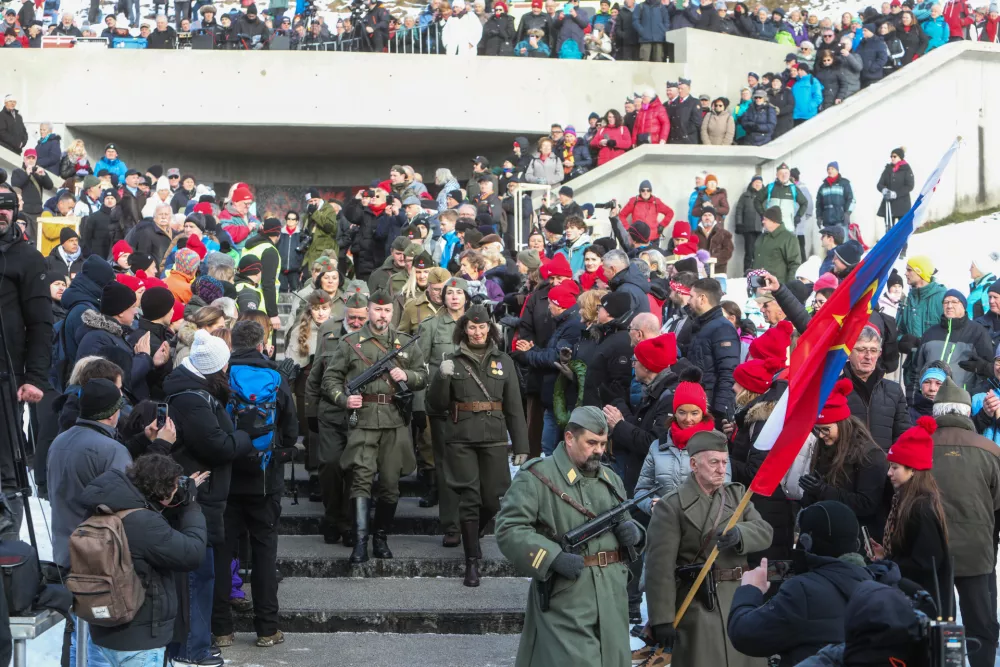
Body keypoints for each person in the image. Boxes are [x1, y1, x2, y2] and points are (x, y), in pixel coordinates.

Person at [495, 406, 643, 667]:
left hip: (612, 596)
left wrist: (635, 533)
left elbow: (625, 522)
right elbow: (509, 529)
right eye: (591, 443)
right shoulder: (538, 477)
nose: (598, 450)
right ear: (569, 438)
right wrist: (552, 558)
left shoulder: (610, 478)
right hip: (567, 597)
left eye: (603, 443)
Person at [162, 329, 254, 666]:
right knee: (197, 578)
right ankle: (191, 648)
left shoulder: (196, 392)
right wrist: (245, 436)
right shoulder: (191, 398)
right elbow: (218, 445)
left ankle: (192, 645)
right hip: (197, 499)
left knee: (203, 576)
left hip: (203, 497)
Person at [644, 429, 773, 665]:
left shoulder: (737, 496)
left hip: (738, 597)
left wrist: (740, 534)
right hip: (698, 601)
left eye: (724, 462)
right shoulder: (671, 506)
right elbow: (659, 567)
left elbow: (765, 532)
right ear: (694, 464)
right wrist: (662, 618)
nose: (721, 469)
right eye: (714, 462)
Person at [321, 288, 427, 563]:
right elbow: (329, 380)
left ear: (393, 313)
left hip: (394, 421)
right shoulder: (350, 343)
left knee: (391, 484)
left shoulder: (405, 342)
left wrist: (408, 375)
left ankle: (381, 538)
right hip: (363, 420)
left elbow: (424, 377)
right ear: (368, 310)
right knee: (361, 480)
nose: (382, 315)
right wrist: (344, 399)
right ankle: (360, 542)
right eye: (377, 309)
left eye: (387, 310)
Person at [211, 320, 298, 650]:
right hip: (265, 482)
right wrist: (278, 453)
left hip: (227, 481)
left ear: (232, 343)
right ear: (262, 344)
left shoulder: (221, 377)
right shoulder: (277, 377)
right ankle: (267, 629)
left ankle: (221, 629)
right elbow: (290, 431)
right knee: (264, 556)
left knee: (222, 555)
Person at [428, 305, 527, 586]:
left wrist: (521, 444)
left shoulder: (504, 361)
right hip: (461, 437)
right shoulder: (452, 360)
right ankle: (471, 560)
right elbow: (434, 405)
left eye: (482, 327)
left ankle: (472, 534)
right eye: (471, 327)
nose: (477, 332)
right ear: (464, 330)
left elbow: (515, 408)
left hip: (494, 437)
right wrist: (441, 377)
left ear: (490, 329)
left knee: (494, 497)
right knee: (469, 497)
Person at [82, 454, 208, 667]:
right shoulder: (144, 523)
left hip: (101, 635)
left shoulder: (105, 507)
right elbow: (192, 553)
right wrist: (191, 506)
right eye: (175, 486)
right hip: (137, 643)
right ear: (163, 490)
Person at [727, 500, 877, 666]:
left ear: (807, 541)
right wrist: (774, 570)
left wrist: (750, 589)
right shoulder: (877, 581)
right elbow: (828, 571)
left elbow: (745, 634)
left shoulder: (803, 590)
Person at [930, 378, 1000, 667]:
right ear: (965, 412)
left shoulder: (918, 446)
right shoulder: (990, 449)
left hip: (930, 553)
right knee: (980, 622)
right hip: (978, 553)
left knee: (937, 621)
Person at [868, 416, 951, 607]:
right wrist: (885, 554)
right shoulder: (906, 500)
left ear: (913, 470)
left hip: (924, 601)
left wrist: (889, 563)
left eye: (895, 467)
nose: (889, 473)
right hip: (915, 596)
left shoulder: (920, 508)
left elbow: (926, 562)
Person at [799, 378, 890, 538]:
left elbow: (867, 504)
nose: (820, 435)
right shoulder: (825, 445)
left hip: (857, 537)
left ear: (841, 424)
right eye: (817, 430)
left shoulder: (869, 455)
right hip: (827, 531)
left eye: (826, 429)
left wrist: (822, 490)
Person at [914, 289, 995, 394]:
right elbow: (916, 368)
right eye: (946, 302)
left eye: (954, 302)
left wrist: (974, 395)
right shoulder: (930, 332)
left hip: (961, 399)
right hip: (928, 396)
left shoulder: (977, 331)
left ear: (963, 306)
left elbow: (988, 369)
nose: (949, 306)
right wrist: (913, 397)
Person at [843, 325, 911, 451]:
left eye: (873, 351)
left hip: (884, 467)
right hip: (845, 467)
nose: (868, 356)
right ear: (849, 352)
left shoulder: (894, 391)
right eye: (862, 350)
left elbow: (903, 434)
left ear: (879, 354)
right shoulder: (835, 389)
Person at [686, 278, 739, 419]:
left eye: (691, 296)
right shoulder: (702, 325)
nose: (688, 301)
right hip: (699, 401)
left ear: (702, 298)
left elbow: (728, 371)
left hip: (711, 407)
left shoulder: (722, 328)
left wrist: (719, 410)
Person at [752, 206, 801, 286]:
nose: (763, 221)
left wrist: (790, 287)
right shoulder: (761, 237)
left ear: (774, 221)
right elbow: (754, 259)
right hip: (757, 285)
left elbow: (794, 264)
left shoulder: (789, 238)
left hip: (776, 288)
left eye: (765, 219)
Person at [876, 147, 915, 232]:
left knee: (902, 229)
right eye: (891, 156)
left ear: (900, 157)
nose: (892, 158)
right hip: (889, 204)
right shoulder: (888, 169)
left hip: (902, 204)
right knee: (889, 230)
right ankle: (890, 245)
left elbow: (910, 186)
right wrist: (884, 190)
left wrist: (896, 194)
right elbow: (880, 184)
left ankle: (902, 244)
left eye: (894, 156)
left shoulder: (906, 169)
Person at [603, 248, 651, 314]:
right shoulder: (631, 284)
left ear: (613, 269)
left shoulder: (625, 291)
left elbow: (621, 320)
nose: (603, 273)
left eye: (604, 270)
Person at [815, 161, 855, 232]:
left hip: (840, 220)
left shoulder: (844, 183)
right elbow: (819, 204)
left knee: (841, 243)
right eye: (828, 169)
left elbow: (851, 200)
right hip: (827, 222)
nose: (830, 171)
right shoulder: (823, 187)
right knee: (829, 243)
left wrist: (847, 213)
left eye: (832, 168)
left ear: (837, 170)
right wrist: (819, 217)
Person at [693, 206, 734, 274]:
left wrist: (711, 260)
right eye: (705, 215)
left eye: (710, 215)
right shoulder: (693, 234)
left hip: (718, 271)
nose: (707, 217)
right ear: (701, 218)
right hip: (699, 271)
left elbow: (728, 251)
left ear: (714, 218)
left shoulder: (724, 234)